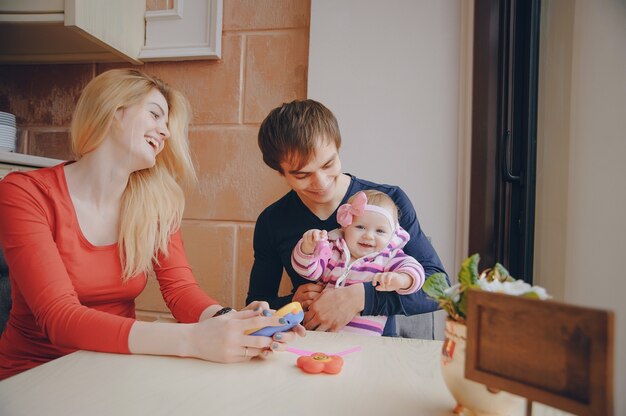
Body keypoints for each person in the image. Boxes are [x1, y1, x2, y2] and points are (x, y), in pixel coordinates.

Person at [0, 69, 303, 381]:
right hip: (33, 376)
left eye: (167, 124)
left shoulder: (156, 202)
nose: (166, 132)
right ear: (113, 110)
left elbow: (181, 291)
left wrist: (233, 321)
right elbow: (59, 317)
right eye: (155, 115)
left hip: (114, 369)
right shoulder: (25, 192)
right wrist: (194, 340)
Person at [247, 99, 448, 337]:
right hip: (306, 351)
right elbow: (256, 304)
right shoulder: (273, 221)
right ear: (280, 172)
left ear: (338, 147)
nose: (320, 183)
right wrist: (291, 302)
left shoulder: (389, 203)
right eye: (302, 175)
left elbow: (440, 289)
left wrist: (361, 297)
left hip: (376, 356)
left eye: (328, 164)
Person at [291, 190, 425, 336]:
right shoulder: (333, 251)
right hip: (322, 333)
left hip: (365, 341)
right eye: (360, 227)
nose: (368, 236)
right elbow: (309, 271)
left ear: (391, 235)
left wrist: (401, 279)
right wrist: (307, 248)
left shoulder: (388, 257)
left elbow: (415, 270)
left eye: (380, 231)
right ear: (344, 227)